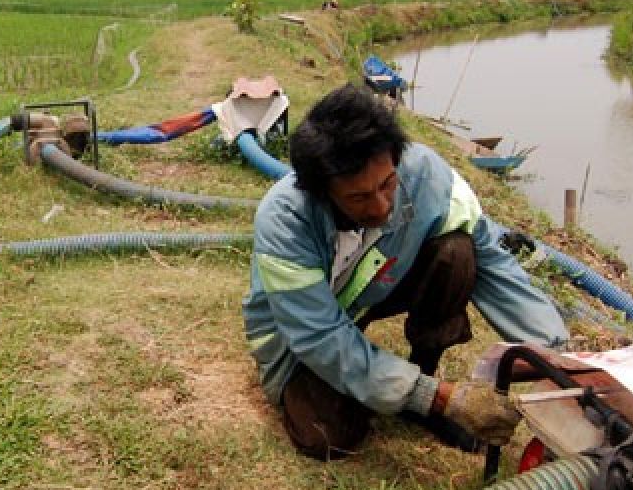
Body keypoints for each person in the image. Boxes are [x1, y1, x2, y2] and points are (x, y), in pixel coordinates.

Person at [241, 84, 569, 460]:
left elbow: (492, 260)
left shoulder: (427, 176)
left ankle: (422, 371)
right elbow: (320, 336)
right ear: (322, 192)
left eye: (387, 184)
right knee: (326, 436)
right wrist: (442, 398)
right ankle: (417, 395)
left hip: (371, 288)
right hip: (300, 332)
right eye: (359, 198)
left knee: (457, 251)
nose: (381, 206)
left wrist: (560, 358)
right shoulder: (284, 221)